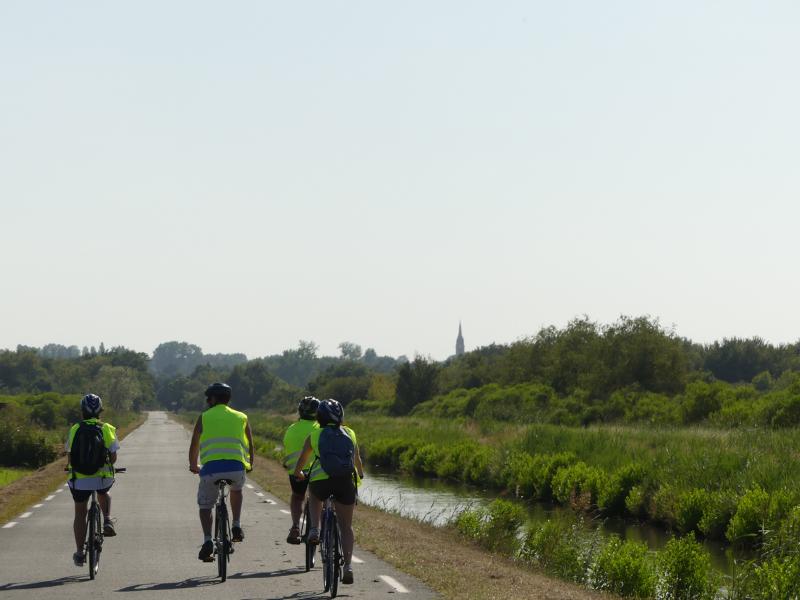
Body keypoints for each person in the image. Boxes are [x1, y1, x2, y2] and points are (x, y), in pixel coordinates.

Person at [294, 398, 364, 585]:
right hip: (345, 483)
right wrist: (361, 473)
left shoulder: (315, 435)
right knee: (346, 526)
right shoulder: (350, 433)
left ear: (320, 417)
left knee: (315, 495)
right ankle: (348, 566)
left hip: (321, 483)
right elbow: (357, 459)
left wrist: (298, 472)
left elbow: (302, 459)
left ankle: (315, 529)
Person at [188, 382, 254, 561]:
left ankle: (208, 540)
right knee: (237, 490)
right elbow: (250, 442)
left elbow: (195, 443)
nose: (207, 401)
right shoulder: (242, 417)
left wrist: (193, 465)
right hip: (236, 468)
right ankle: (236, 525)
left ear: (213, 399)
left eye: (208, 398)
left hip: (211, 470)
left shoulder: (204, 417)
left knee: (205, 506)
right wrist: (250, 464)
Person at [66, 393, 119, 567]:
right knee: (105, 492)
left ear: (82, 411)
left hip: (79, 480)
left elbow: (70, 457)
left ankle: (80, 552)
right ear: (100, 411)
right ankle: (108, 519)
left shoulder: (75, 429)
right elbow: (113, 457)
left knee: (80, 513)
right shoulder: (107, 428)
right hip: (102, 477)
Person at [282, 396, 320, 545]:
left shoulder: (291, 429)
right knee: (319, 498)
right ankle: (317, 528)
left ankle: (295, 526)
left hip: (296, 471)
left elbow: (287, 448)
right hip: (317, 472)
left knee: (297, 496)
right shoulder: (319, 429)